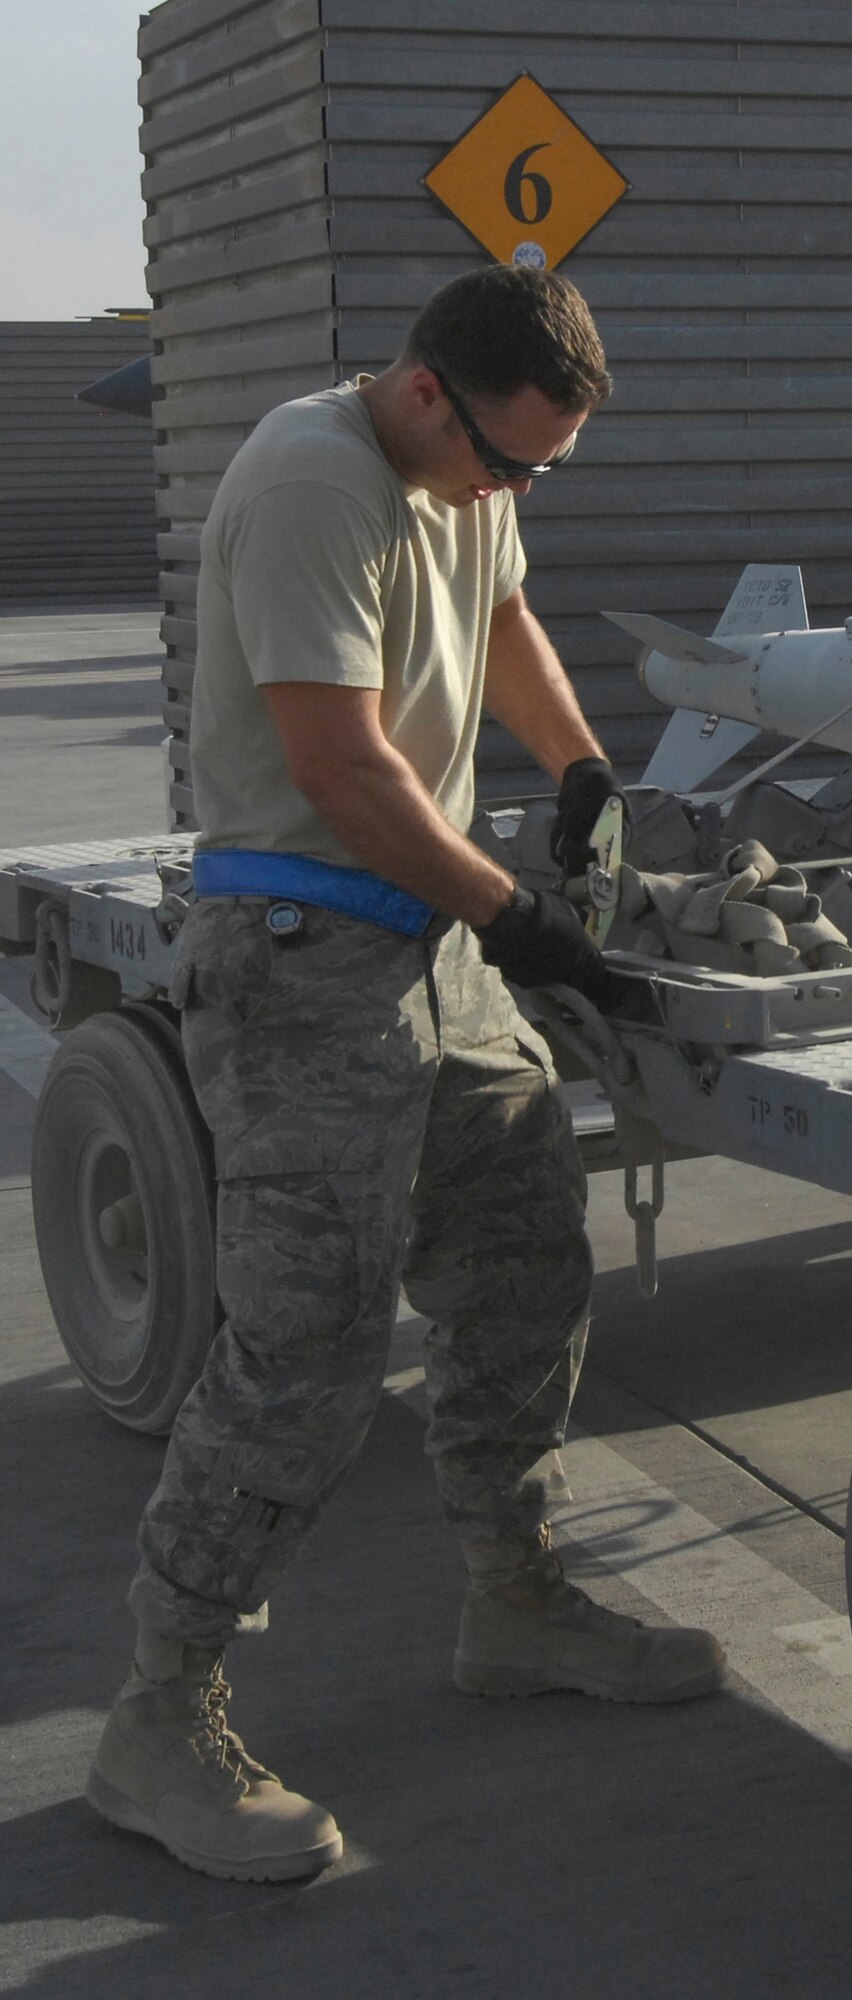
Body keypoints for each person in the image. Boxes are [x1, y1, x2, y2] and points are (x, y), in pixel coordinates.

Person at [86, 265, 726, 1885]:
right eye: (507, 461)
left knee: (522, 1257)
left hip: (427, 955)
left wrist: (578, 764)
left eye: (543, 473)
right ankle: (158, 1718)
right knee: (304, 1345)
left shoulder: (476, 479)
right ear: (428, 392)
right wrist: (512, 910)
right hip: (300, 951)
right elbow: (341, 763)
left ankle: (514, 1600)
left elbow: (502, 611)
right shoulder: (314, 476)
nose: (516, 495)